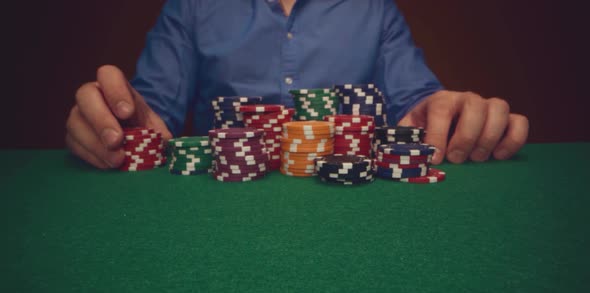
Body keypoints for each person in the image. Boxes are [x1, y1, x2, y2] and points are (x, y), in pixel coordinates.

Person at [65, 0, 529, 169]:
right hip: (220, 212)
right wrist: (117, 118)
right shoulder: (191, 5)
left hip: (357, 217)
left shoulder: (374, 8)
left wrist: (445, 109)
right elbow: (153, 111)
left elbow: (417, 100)